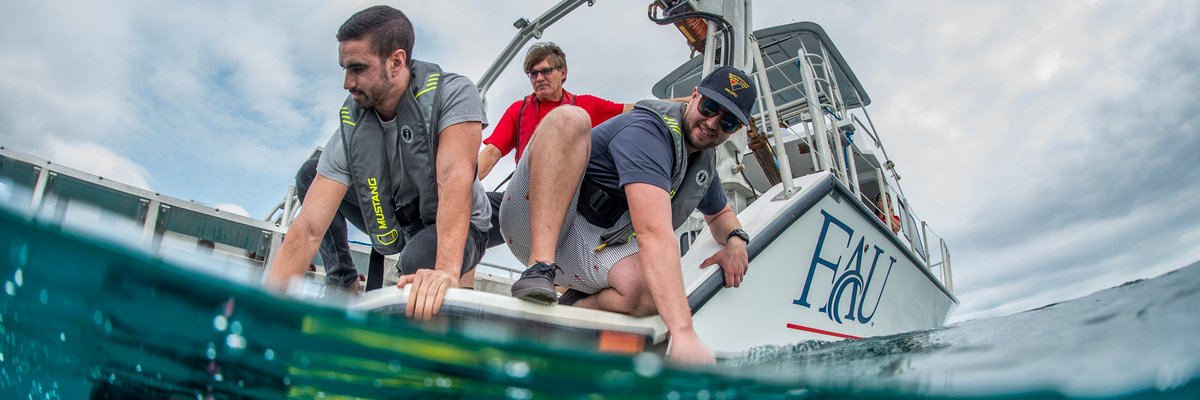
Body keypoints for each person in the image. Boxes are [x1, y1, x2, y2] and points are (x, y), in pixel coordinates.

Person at [499, 66, 757, 364]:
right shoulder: (649, 131)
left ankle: (569, 315)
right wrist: (683, 331)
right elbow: (652, 233)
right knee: (570, 117)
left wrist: (737, 240)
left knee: (651, 292)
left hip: (589, 246)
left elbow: (719, 214)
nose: (713, 123)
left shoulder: (701, 163)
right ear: (694, 97)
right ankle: (539, 269)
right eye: (710, 107)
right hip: (532, 224)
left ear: (736, 129)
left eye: (727, 121)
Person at [267, 5, 491, 321]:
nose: (347, 82)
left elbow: (454, 178)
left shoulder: (453, 93)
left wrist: (444, 273)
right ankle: (342, 282)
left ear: (396, 62)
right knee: (310, 173)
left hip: (462, 224)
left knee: (417, 266)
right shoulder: (354, 127)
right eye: (344, 69)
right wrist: (263, 309)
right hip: (397, 217)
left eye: (357, 68)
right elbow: (308, 229)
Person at [477, 42, 632, 249]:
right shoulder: (519, 110)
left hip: (572, 202)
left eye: (546, 71)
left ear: (563, 73)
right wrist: (460, 187)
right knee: (468, 212)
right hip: (525, 198)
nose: (539, 78)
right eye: (533, 74)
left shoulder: (585, 106)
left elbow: (634, 110)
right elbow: (491, 152)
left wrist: (685, 103)